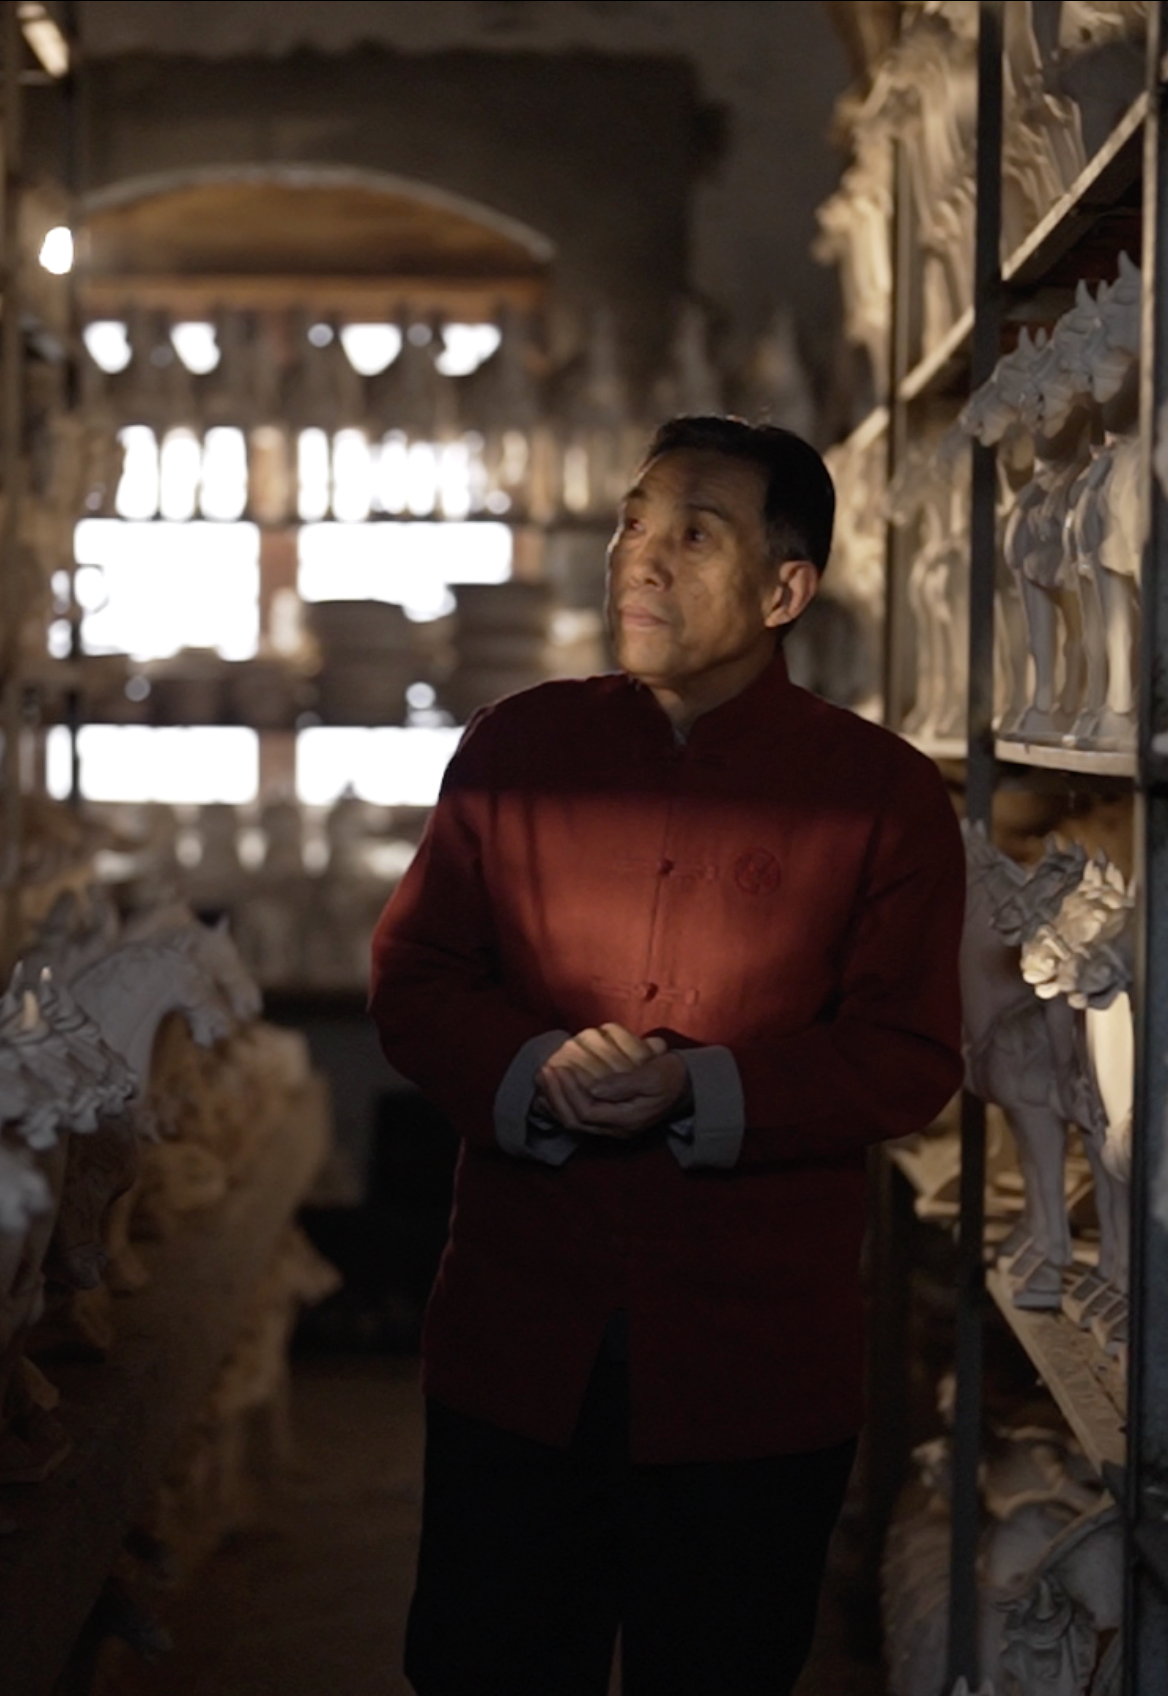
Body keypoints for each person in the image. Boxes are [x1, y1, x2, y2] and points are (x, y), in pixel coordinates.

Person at [372, 415, 964, 1696]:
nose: (639, 559)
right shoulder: (514, 752)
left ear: (785, 588)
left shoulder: (882, 796)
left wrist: (707, 1088)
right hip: (516, 1344)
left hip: (753, 1371)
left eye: (693, 535)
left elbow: (907, 1053)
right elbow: (415, 978)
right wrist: (532, 1066)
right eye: (634, 523)